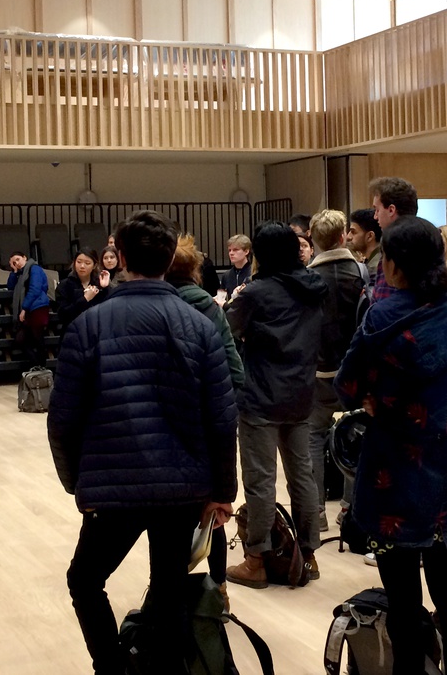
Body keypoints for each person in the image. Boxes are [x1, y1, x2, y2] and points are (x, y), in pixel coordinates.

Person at [48, 211, 237, 674]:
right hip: (182, 486)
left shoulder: (87, 326)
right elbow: (221, 416)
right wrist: (223, 491)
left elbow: (62, 420)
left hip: (112, 487)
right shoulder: (200, 327)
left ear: (122, 258)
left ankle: (111, 667)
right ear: (172, 256)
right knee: (169, 584)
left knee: (85, 581)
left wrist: (78, 483)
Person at [336, 216, 447, 675]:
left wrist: (378, 398)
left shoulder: (381, 316)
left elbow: (347, 385)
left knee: (401, 598)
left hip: (394, 467)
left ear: (393, 264)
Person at [225, 221, 327, 588]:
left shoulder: (256, 292)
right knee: (303, 476)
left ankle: (257, 559)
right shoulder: (315, 288)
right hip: (301, 393)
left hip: (261, 395)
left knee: (260, 480)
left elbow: (227, 331)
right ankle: (309, 554)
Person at [165, 233, 244, 611]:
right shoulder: (208, 308)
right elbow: (234, 371)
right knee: (211, 514)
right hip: (205, 427)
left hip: (164, 430)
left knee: (169, 521)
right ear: (194, 268)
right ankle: (220, 591)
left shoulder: (147, 307)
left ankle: (170, 594)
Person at [306, 209, 368, 532]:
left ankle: (316, 511)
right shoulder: (361, 273)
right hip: (354, 372)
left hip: (316, 373)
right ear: (343, 236)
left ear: (311, 240)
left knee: (313, 438)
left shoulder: (305, 279)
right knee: (354, 436)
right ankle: (349, 509)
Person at [368, 176, 418, 302]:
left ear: (391, 210)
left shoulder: (395, 246)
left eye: (377, 210)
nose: (375, 216)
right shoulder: (427, 239)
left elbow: (384, 300)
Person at [7, 251, 51, 367]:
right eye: (13, 262)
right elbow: (10, 286)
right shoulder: (20, 274)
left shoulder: (34, 269)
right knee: (20, 339)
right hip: (29, 309)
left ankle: (42, 368)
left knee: (38, 339)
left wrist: (24, 308)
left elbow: (35, 289)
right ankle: (38, 366)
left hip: (37, 307)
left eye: (18, 259)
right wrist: (14, 271)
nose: (16, 263)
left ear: (25, 257)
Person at [56, 249, 111, 329]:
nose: (82, 266)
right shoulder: (65, 285)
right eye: (79, 262)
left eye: (87, 263)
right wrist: (85, 299)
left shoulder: (99, 284)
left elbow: (108, 310)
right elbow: (63, 315)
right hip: (73, 330)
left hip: (96, 329)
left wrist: (105, 288)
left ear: (94, 265)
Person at [348, 208, 382, 290]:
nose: (348, 237)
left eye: (353, 232)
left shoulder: (375, 268)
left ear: (370, 236)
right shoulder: (374, 262)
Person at [218, 233, 252, 304]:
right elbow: (220, 299)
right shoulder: (226, 275)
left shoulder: (254, 273)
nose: (231, 253)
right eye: (229, 250)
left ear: (246, 251)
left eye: (235, 250)